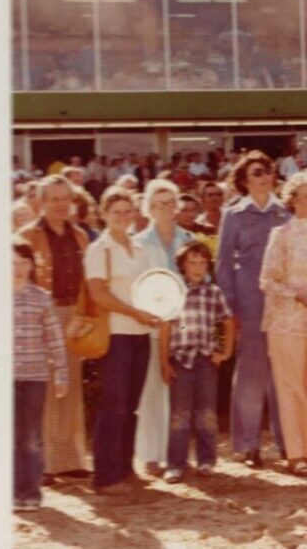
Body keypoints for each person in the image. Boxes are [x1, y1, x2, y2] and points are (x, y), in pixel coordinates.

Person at [85, 187, 162, 494]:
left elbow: (149, 288)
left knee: (131, 406)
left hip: (140, 334)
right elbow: (98, 294)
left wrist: (156, 310)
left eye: (128, 211)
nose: (123, 217)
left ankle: (124, 469)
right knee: (113, 406)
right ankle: (104, 477)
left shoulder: (140, 249)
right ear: (104, 214)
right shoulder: (98, 250)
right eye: (116, 211)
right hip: (116, 334)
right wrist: (134, 312)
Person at [260, 173, 307, 476]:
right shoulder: (281, 235)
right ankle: (295, 453)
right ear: (293, 201)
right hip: (286, 320)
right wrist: (296, 294)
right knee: (291, 387)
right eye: (306, 196)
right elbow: (266, 280)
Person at [217, 151, 290, 469]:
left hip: (284, 304)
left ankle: (288, 442)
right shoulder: (233, 215)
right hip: (249, 303)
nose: (263, 177)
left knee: (284, 375)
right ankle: (248, 445)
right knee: (250, 376)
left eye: (267, 171)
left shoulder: (285, 214)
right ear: (245, 181)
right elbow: (222, 265)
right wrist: (230, 309)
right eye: (257, 172)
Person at [15, 175, 91, 482]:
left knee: (70, 384)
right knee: (43, 386)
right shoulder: (26, 237)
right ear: (42, 203)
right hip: (40, 313)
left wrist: (84, 316)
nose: (60, 205)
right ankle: (42, 462)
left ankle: (70, 458)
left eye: (65, 199)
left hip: (74, 314)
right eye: (54, 199)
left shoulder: (81, 236)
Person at [133, 180, 194, 474]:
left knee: (181, 392)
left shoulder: (189, 239)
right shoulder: (140, 243)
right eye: (160, 204)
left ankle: (177, 454)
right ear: (149, 209)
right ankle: (151, 454)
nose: (167, 209)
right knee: (152, 389)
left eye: (171, 203)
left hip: (185, 326)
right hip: (153, 323)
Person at [160, 241, 235, 483]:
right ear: (182, 265)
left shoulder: (213, 292)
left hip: (206, 360)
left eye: (202, 263)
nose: (197, 267)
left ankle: (206, 460)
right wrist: (164, 361)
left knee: (206, 413)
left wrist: (225, 352)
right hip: (181, 359)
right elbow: (168, 326)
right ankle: (176, 464)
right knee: (180, 414)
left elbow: (229, 320)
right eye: (192, 262)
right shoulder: (174, 292)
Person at [13, 239, 69, 512]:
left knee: (31, 436)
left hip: (35, 376)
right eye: (12, 263)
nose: (18, 268)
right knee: (9, 435)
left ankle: (31, 492)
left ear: (32, 265)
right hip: (5, 378)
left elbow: (55, 338)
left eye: (24, 262)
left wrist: (61, 373)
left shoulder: (41, 297)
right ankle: (12, 491)